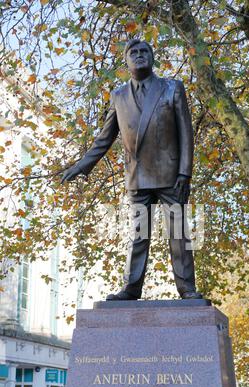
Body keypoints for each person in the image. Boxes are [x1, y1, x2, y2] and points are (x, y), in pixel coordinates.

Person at [62, 38, 202, 301]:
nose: (139, 55)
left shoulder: (172, 88)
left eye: (144, 51)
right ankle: (131, 288)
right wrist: (82, 165)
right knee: (138, 236)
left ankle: (187, 289)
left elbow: (186, 133)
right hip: (138, 177)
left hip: (171, 175)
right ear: (126, 62)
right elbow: (104, 138)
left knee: (179, 235)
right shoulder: (118, 96)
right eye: (133, 52)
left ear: (153, 57)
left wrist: (185, 172)